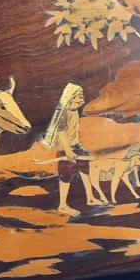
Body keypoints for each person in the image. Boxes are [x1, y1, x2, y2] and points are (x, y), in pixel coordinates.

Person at [41, 82, 88, 216]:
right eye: (79, 96)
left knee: (86, 170)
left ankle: (91, 197)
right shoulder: (64, 113)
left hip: (76, 147)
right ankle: (62, 205)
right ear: (70, 97)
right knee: (65, 177)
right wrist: (68, 151)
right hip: (65, 150)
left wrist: (77, 145)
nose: (81, 99)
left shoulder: (74, 112)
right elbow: (61, 133)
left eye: (81, 96)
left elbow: (73, 132)